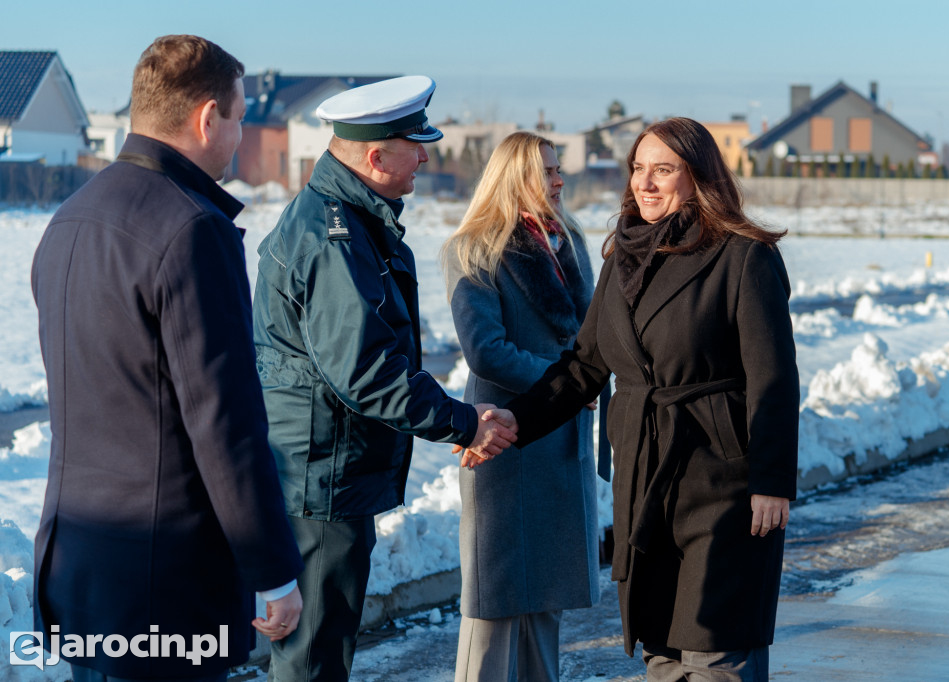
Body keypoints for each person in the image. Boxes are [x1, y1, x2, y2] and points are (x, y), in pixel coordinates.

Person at [31, 35, 304, 681]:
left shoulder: (70, 217)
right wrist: (271, 570)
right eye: (239, 118)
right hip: (164, 583)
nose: (240, 136)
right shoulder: (190, 229)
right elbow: (224, 423)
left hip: (81, 564)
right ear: (208, 117)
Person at [502, 117, 799, 682]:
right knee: (662, 652)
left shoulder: (743, 256)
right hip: (644, 481)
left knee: (717, 653)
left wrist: (772, 482)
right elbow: (585, 364)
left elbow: (774, 378)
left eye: (663, 169)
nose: (646, 183)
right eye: (639, 169)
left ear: (699, 176)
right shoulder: (624, 258)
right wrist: (510, 424)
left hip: (721, 482)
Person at [251, 75, 518, 682]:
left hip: (328, 469)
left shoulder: (347, 219)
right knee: (313, 655)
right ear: (375, 156)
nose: (426, 155)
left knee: (321, 647)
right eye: (415, 143)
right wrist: (461, 422)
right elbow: (366, 370)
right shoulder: (335, 235)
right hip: (323, 476)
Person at [441, 132, 600, 681]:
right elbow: (486, 352)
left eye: (559, 170)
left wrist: (579, 385)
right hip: (503, 438)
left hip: (559, 440)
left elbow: (592, 340)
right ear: (514, 177)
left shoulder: (569, 242)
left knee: (546, 600)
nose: (559, 181)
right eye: (547, 172)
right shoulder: (474, 248)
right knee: (496, 599)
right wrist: (568, 386)